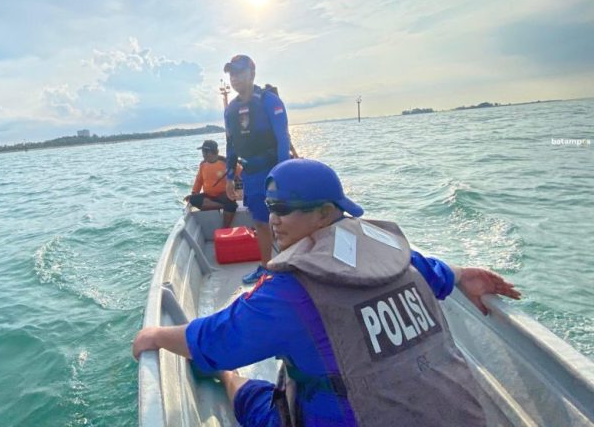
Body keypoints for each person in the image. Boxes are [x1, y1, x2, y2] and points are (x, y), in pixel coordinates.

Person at [133, 158, 522, 427]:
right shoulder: (389, 250)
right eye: (270, 206)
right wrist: (461, 275)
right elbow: (433, 272)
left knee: (252, 397)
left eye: (285, 208)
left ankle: (229, 380)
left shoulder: (290, 292)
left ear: (323, 213)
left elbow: (215, 340)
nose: (273, 219)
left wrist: (156, 335)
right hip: (463, 415)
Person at [223, 54, 291, 284]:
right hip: (250, 174)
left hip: (274, 170)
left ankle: (292, 266)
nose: (235, 77)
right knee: (260, 222)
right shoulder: (230, 110)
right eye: (231, 73)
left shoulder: (269, 101)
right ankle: (266, 266)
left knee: (286, 220)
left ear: (252, 73)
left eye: (240, 72)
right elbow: (231, 144)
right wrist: (230, 176)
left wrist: (281, 173)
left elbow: (283, 138)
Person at [184, 139, 240, 228]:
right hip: (209, 196)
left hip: (224, 195)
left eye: (207, 151)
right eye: (203, 151)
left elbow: (241, 172)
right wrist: (194, 193)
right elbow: (199, 180)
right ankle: (223, 206)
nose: (204, 154)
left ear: (215, 152)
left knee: (231, 203)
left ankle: (225, 227)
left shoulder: (226, 162)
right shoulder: (202, 164)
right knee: (192, 199)